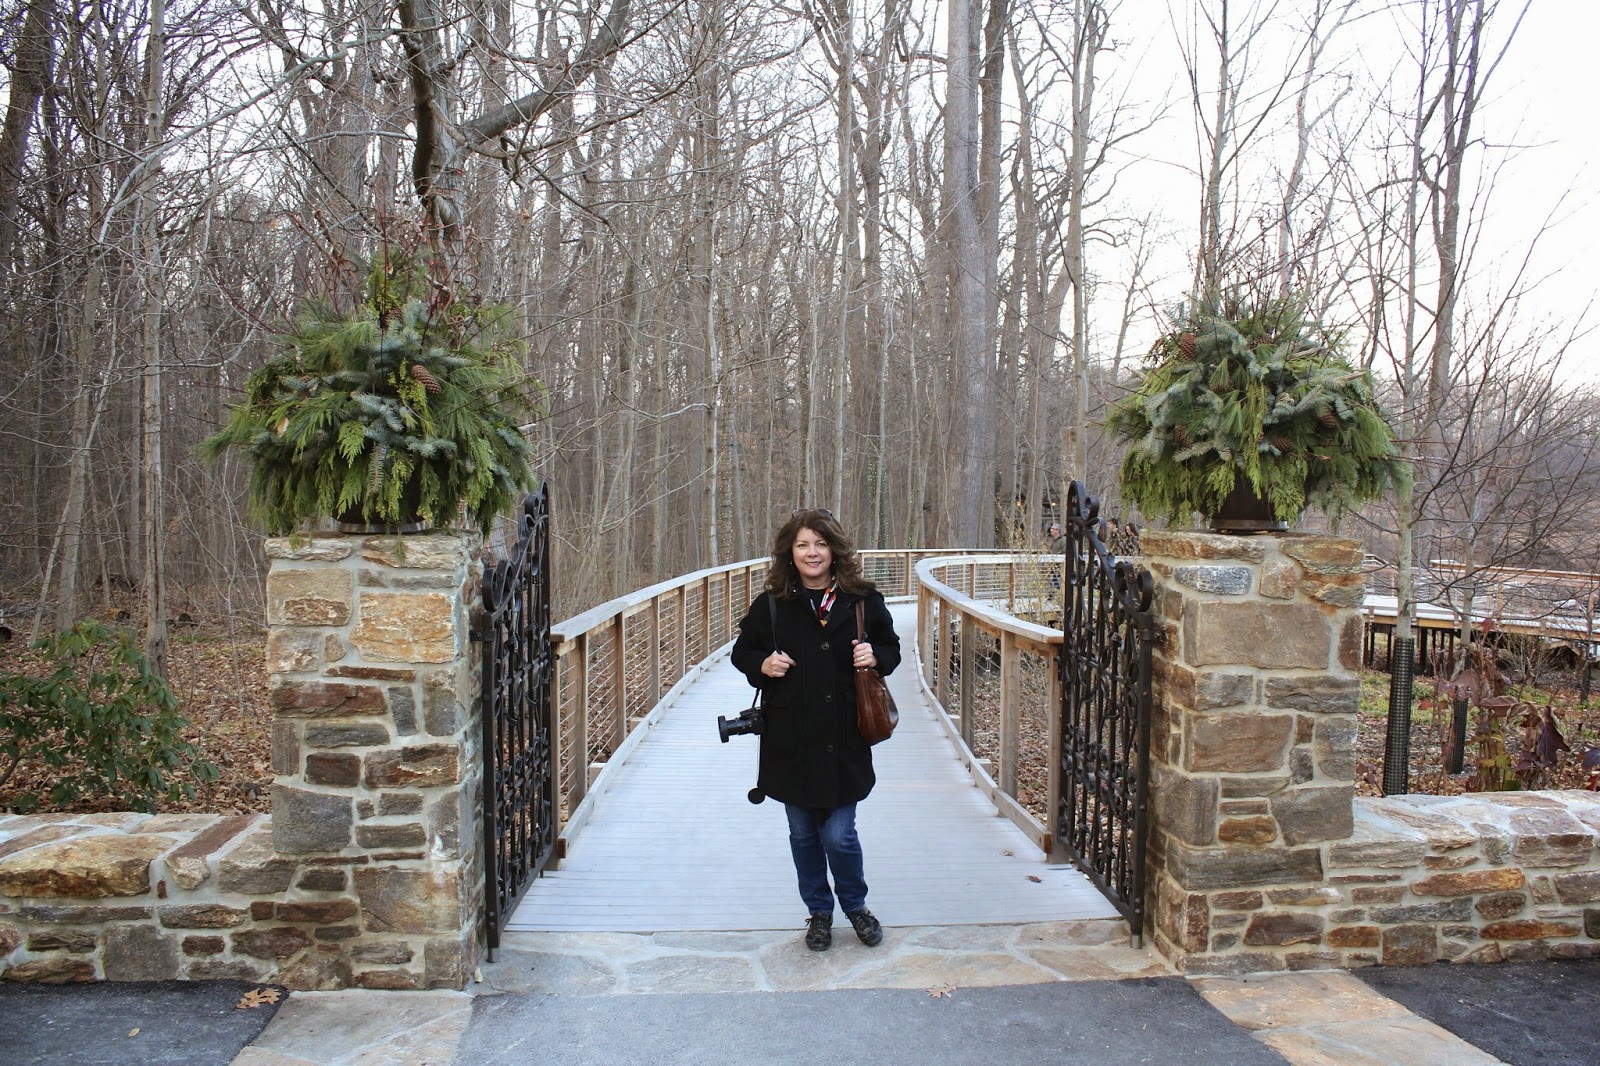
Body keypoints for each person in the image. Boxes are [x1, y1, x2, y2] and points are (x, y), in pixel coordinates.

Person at [730, 508, 902, 952]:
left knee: (839, 834)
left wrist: (876, 657)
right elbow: (742, 653)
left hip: (845, 736)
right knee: (803, 833)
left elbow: (892, 647)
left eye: (821, 544)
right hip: (790, 740)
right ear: (791, 551)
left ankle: (856, 907)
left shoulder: (862, 599)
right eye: (804, 544)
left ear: (834, 551)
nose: (812, 553)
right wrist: (762, 665)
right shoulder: (772, 603)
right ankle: (819, 913)